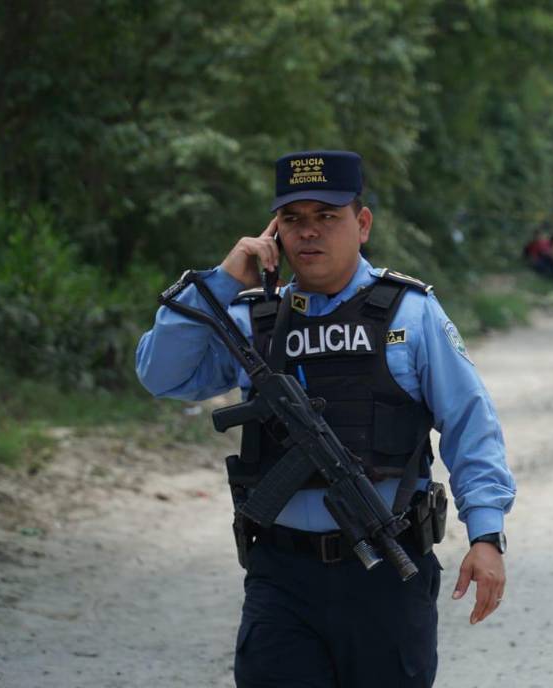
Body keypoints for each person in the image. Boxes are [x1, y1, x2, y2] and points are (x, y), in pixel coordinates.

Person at [135, 150, 516, 688]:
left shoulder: (409, 311)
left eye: (326, 217)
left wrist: (486, 535)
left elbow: (470, 423)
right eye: (293, 219)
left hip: (387, 572)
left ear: (361, 225)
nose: (308, 233)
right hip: (280, 575)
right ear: (274, 230)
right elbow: (160, 375)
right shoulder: (249, 317)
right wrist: (221, 281)